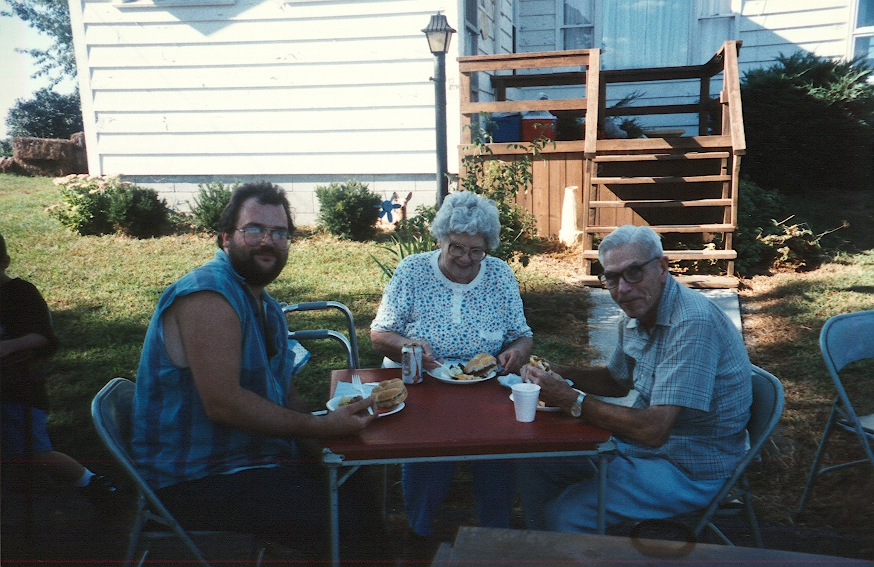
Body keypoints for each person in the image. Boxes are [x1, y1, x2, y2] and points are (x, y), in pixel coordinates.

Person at [130, 182, 387, 562]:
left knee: (356, 477)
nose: (268, 241)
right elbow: (224, 405)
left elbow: (287, 394)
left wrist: (326, 449)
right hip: (197, 479)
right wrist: (319, 427)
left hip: (251, 461)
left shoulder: (265, 305)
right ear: (225, 237)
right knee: (342, 520)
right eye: (254, 229)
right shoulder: (209, 296)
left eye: (279, 233)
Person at [517, 224, 752, 532]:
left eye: (634, 272)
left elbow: (653, 430)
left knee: (566, 515)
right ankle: (545, 547)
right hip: (642, 449)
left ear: (662, 268)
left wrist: (569, 399)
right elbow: (615, 382)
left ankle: (566, 540)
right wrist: (561, 372)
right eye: (612, 278)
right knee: (536, 463)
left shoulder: (691, 323)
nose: (623, 289)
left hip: (689, 468)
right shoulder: (638, 312)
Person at [370, 190, 534, 539]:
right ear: (440, 239)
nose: (465, 258)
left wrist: (517, 353)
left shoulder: (499, 275)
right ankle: (419, 533)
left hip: (485, 390)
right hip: (422, 385)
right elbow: (380, 334)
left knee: (498, 454)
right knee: (429, 453)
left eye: (476, 251)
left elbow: (522, 335)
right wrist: (407, 346)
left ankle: (495, 536)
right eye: (456, 247)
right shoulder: (413, 271)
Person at [0, 232, 120, 509]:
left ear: (5, 261)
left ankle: (92, 483)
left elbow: (43, 338)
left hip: (16, 392)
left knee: (34, 452)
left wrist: (9, 346)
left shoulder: (20, 294)